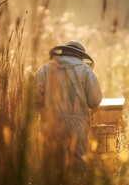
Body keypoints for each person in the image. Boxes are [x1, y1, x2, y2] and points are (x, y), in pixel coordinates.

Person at [35, 40, 103, 169]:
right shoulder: (85, 70)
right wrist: (90, 112)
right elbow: (95, 100)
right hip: (77, 126)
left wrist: (44, 112)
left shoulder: (45, 68)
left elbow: (35, 98)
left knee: (51, 166)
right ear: (80, 55)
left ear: (63, 51)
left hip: (50, 124)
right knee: (76, 165)